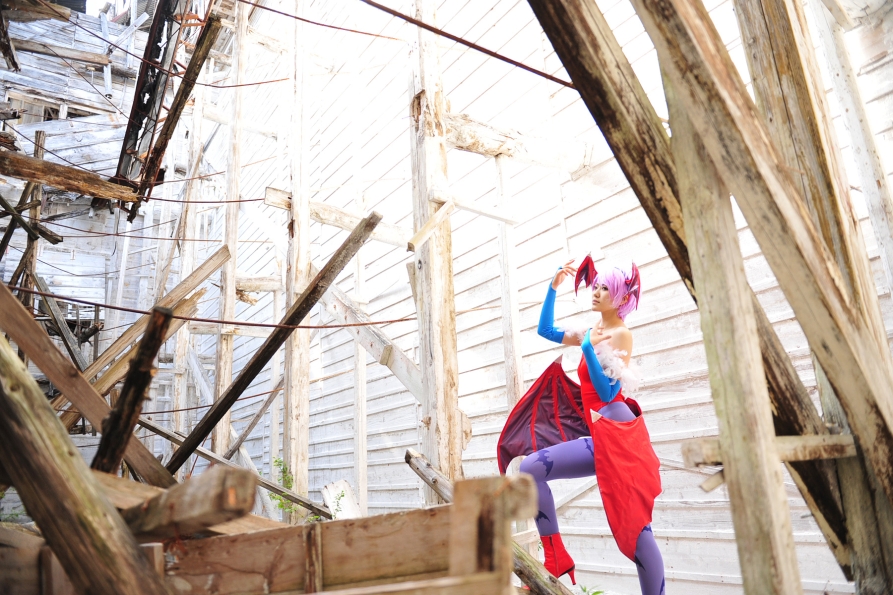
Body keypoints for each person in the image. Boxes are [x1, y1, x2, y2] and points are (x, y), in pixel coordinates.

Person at [496, 257, 665, 595]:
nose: (597, 292)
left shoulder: (621, 335)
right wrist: (553, 288)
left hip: (617, 432)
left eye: (606, 288)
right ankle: (555, 556)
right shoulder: (591, 331)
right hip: (598, 432)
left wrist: (588, 348)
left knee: (636, 531)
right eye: (596, 286)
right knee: (531, 469)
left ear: (621, 297)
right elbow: (546, 330)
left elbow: (608, 393)